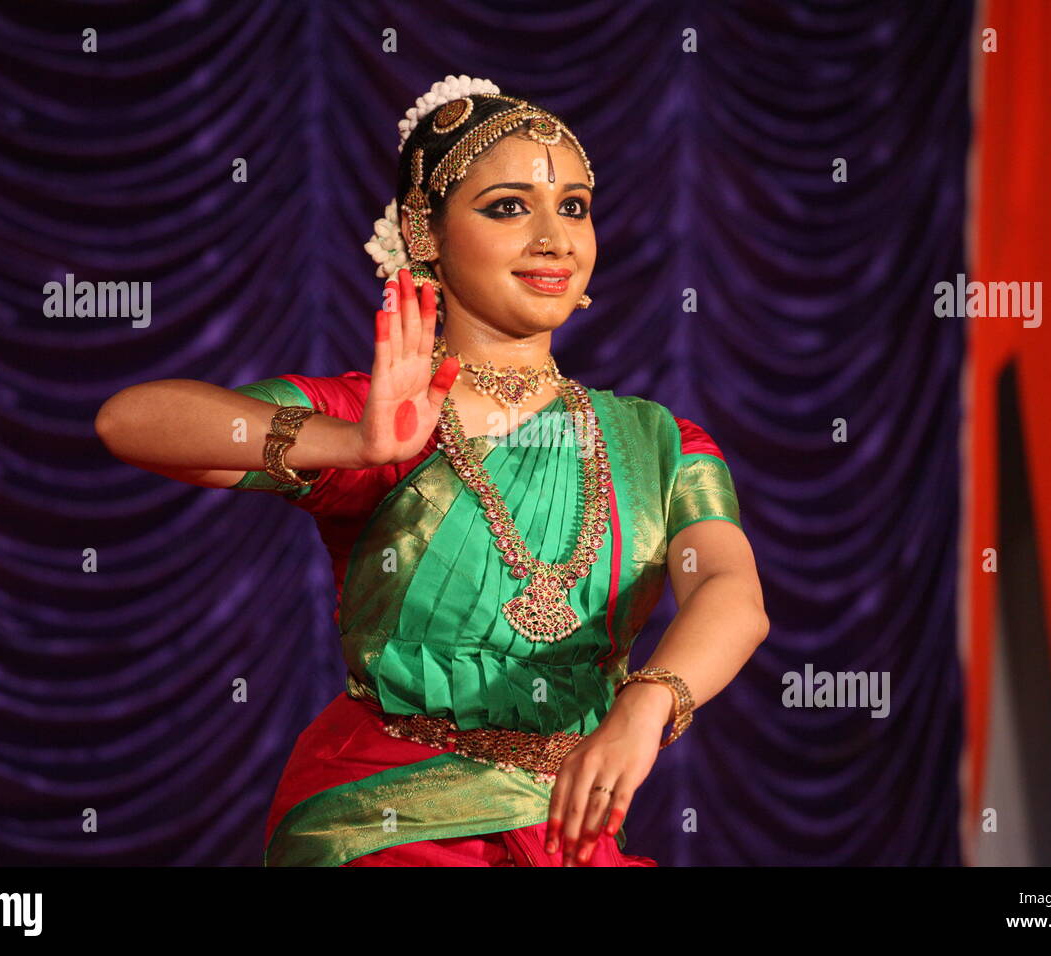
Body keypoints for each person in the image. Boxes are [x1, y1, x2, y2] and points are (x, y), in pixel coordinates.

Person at [95, 74, 770, 867]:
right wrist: (349, 446)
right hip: (384, 820)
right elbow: (129, 421)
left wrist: (648, 705)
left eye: (575, 206)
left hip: (569, 830)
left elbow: (734, 597)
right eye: (509, 206)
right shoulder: (381, 412)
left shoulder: (656, 441)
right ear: (425, 232)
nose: (554, 237)